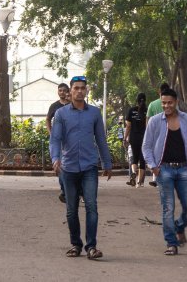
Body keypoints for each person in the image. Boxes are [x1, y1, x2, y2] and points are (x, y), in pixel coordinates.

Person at [49, 75, 112, 260]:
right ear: (70, 91)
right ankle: (76, 244)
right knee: (71, 209)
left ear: (86, 91)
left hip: (89, 166)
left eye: (82, 88)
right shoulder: (61, 114)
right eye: (76, 88)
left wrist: (106, 163)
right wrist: (55, 158)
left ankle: (91, 247)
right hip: (68, 168)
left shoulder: (94, 113)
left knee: (91, 206)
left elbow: (101, 139)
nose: (79, 91)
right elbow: (55, 139)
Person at [142, 86, 187, 256]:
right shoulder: (154, 121)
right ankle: (171, 243)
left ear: (176, 102)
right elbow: (146, 146)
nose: (166, 106)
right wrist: (153, 166)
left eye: (169, 103)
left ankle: (179, 226)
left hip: (183, 169)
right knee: (168, 207)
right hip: (164, 170)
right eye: (163, 103)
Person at [46, 82, 71, 203]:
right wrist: (51, 132)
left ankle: (73, 190)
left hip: (71, 140)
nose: (62, 92)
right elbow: (48, 119)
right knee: (59, 165)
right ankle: (65, 191)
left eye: (64, 90)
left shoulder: (73, 105)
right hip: (58, 140)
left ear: (68, 91)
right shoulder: (54, 106)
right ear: (58, 92)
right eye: (60, 90)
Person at [145, 83, 170, 187]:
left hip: (155, 133)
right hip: (169, 131)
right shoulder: (172, 103)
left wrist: (148, 133)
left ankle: (155, 178)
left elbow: (147, 120)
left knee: (156, 155)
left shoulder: (152, 104)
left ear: (159, 92)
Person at [124, 92, 148, 188]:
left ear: (136, 100)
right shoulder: (147, 110)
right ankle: (139, 183)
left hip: (133, 137)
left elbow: (128, 126)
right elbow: (148, 126)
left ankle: (134, 172)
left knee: (134, 158)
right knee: (142, 160)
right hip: (144, 138)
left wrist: (125, 138)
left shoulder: (131, 110)